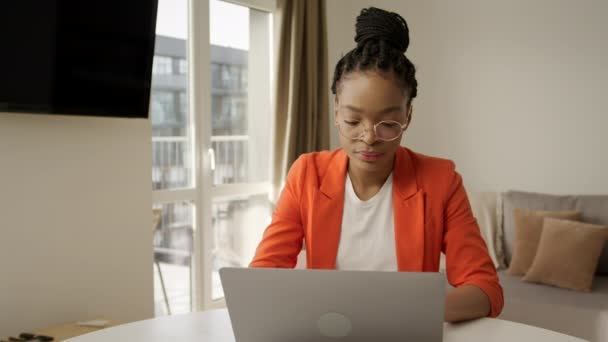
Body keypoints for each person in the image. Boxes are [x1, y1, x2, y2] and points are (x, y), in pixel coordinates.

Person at [250, 7, 503, 323]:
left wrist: (411, 313)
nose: (369, 137)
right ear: (336, 111)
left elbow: (485, 289)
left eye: (388, 123)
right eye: (353, 120)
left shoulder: (441, 181)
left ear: (407, 116)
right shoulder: (307, 174)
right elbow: (262, 277)